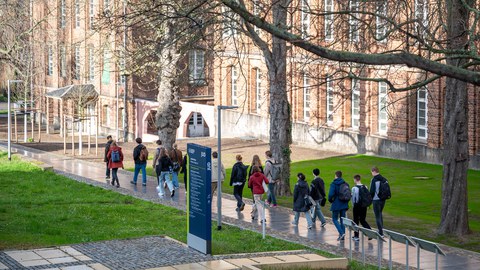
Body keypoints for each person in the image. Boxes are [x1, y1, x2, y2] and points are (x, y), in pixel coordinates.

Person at [328, 171, 349, 241]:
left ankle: (341, 233)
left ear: (336, 176)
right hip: (344, 204)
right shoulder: (345, 183)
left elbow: (330, 195)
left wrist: (330, 200)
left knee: (334, 219)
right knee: (342, 219)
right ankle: (342, 236)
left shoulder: (333, 184)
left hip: (336, 204)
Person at [351, 174, 372, 241]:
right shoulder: (365, 187)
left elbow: (354, 199)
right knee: (363, 220)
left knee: (355, 221)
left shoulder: (354, 188)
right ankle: (370, 233)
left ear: (355, 179)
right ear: (360, 179)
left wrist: (353, 205)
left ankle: (356, 236)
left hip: (357, 206)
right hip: (364, 206)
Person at [370, 166, 388, 237]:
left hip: (376, 200)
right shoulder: (384, 179)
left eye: (371, 172)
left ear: (374, 171)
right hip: (383, 200)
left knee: (377, 216)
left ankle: (380, 232)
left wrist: (369, 200)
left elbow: (372, 191)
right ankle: (381, 229)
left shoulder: (374, 180)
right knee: (380, 214)